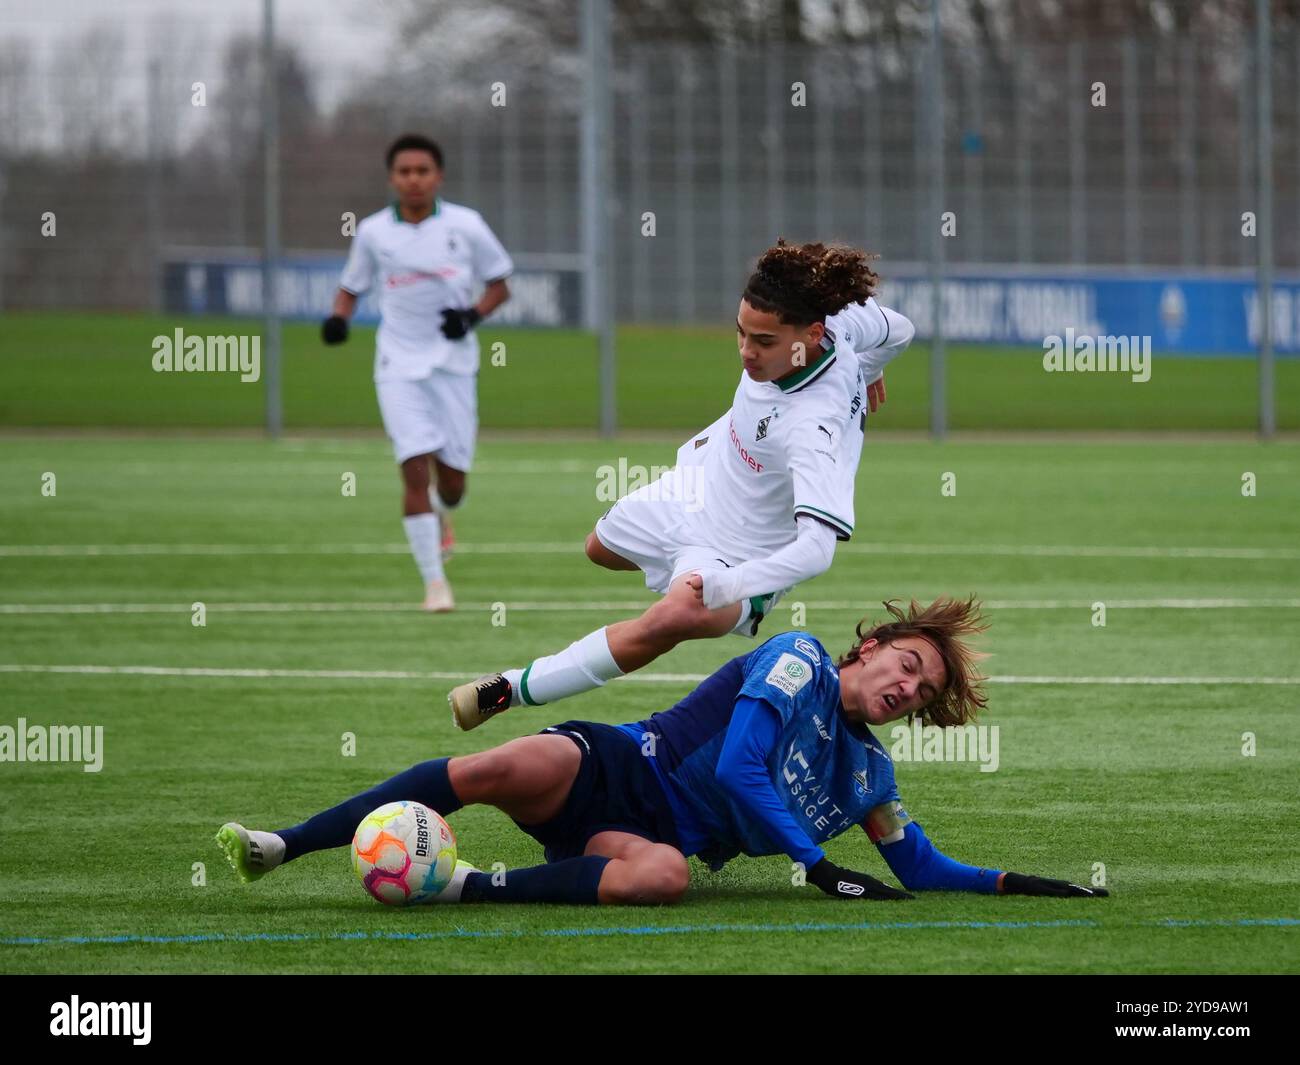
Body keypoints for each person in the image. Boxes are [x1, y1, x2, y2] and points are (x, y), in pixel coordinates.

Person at [217, 598, 1107, 906]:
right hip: (619, 765)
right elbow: (736, 768)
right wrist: (813, 864)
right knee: (495, 770)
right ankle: (283, 844)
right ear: (868, 647)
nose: (909, 687)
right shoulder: (795, 656)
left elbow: (917, 862)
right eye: (907, 664)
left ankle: (458, 886)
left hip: (648, 839)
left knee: (668, 878)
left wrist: (1012, 881)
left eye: (923, 691)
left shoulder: (870, 775)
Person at [449, 238, 912, 730]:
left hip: (738, 555)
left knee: (673, 618)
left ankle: (508, 690)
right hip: (692, 486)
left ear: (812, 334)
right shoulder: (842, 323)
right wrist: (870, 369)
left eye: (764, 342)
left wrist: (728, 583)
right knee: (597, 549)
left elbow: (817, 551)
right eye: (741, 333)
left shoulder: (814, 429)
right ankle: (676, 581)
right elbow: (900, 329)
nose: (746, 353)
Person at [322, 133, 512, 611]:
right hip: (397, 364)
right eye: (404, 171)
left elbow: (500, 283)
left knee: (452, 483)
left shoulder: (466, 226)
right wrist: (338, 320)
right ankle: (435, 585)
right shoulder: (372, 233)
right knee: (412, 468)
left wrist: (471, 315)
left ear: (438, 176)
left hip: (453, 365)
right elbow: (351, 287)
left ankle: (444, 513)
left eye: (422, 171)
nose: (413, 179)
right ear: (392, 178)